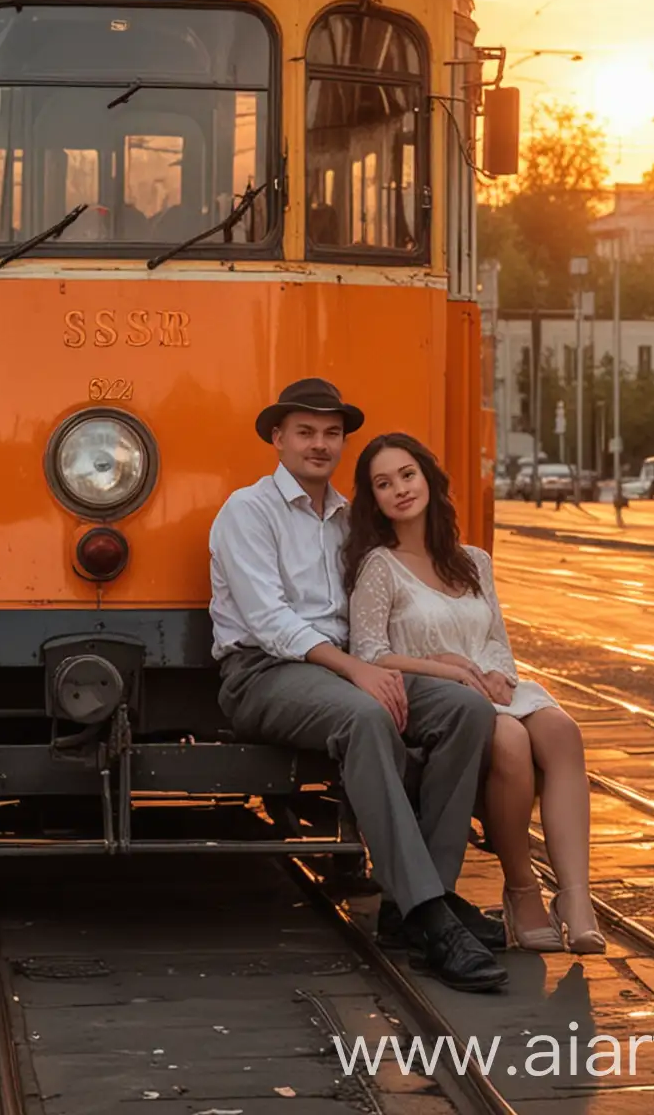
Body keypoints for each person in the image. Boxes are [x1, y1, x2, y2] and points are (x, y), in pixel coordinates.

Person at [210, 379, 509, 993]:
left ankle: (421, 901)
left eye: (331, 433)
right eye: (305, 432)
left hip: (348, 670)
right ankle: (431, 918)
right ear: (278, 438)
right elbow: (269, 622)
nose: (320, 445)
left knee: (464, 710)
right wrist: (356, 670)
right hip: (264, 674)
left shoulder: (351, 520)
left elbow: (384, 614)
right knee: (365, 717)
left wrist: (437, 664)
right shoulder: (248, 511)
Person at [346, 432, 606, 954]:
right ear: (373, 501)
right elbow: (369, 653)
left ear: (428, 479)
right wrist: (442, 667)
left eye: (407, 475)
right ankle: (522, 889)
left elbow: (497, 641)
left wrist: (500, 678)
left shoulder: (473, 562)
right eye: (383, 483)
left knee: (561, 731)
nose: (399, 489)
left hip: (492, 686)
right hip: (437, 697)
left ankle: (576, 898)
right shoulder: (380, 567)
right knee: (509, 740)